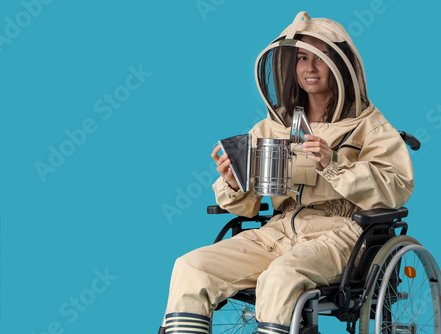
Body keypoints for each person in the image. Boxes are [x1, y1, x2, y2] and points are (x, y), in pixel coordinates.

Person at [160, 11, 414, 334]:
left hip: (343, 234)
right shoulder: (276, 126)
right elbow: (246, 203)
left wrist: (333, 163)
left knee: (279, 279)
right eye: (302, 58)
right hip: (280, 231)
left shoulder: (368, 125)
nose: (309, 68)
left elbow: (396, 185)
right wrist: (233, 180)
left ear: (337, 63)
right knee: (189, 268)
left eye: (319, 59)